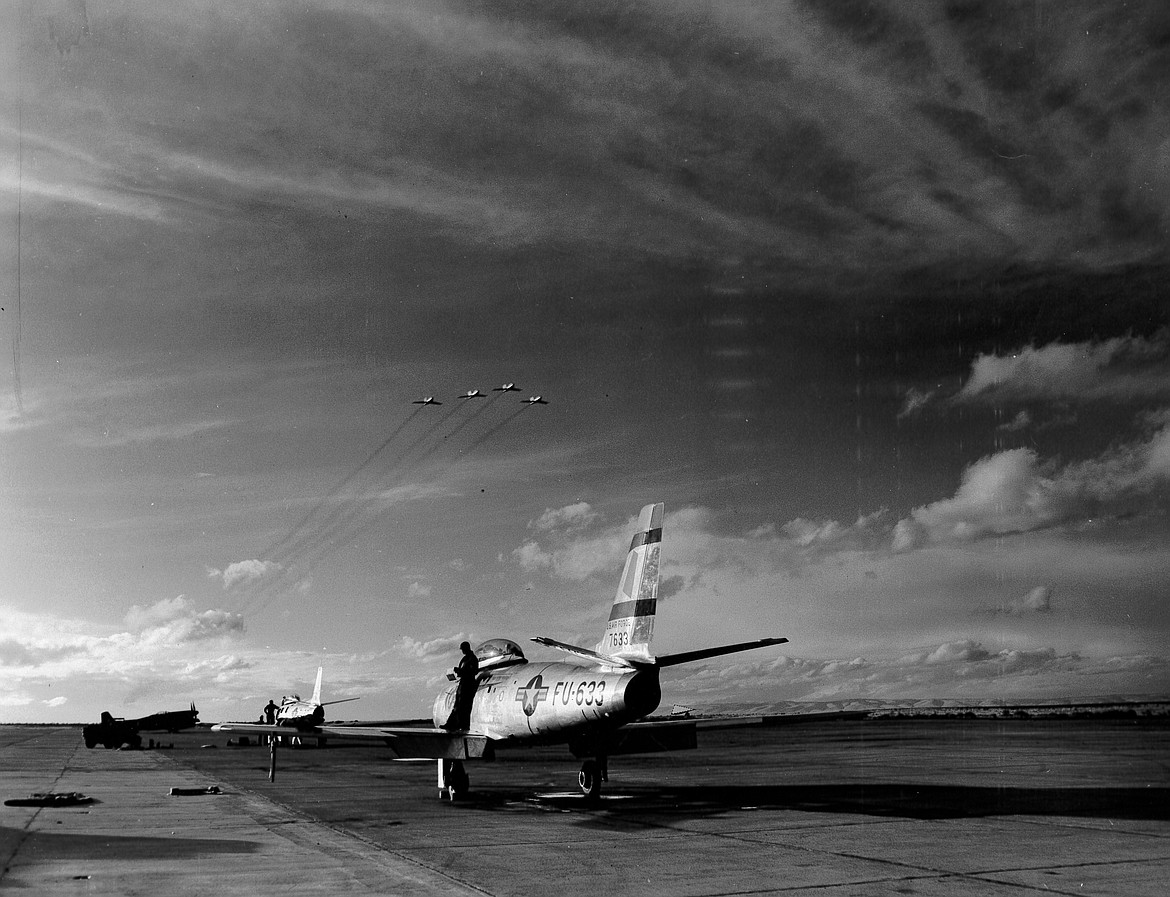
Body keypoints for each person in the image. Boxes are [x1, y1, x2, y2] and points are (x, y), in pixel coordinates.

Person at [451, 641, 479, 730]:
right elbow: (463, 671)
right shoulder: (465, 659)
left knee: (464, 706)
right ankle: (454, 724)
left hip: (468, 684)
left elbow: (473, 671)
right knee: (458, 705)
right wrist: (458, 671)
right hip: (463, 683)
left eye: (463, 649)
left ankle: (463, 726)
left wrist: (461, 671)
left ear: (466, 648)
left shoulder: (472, 659)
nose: (462, 651)